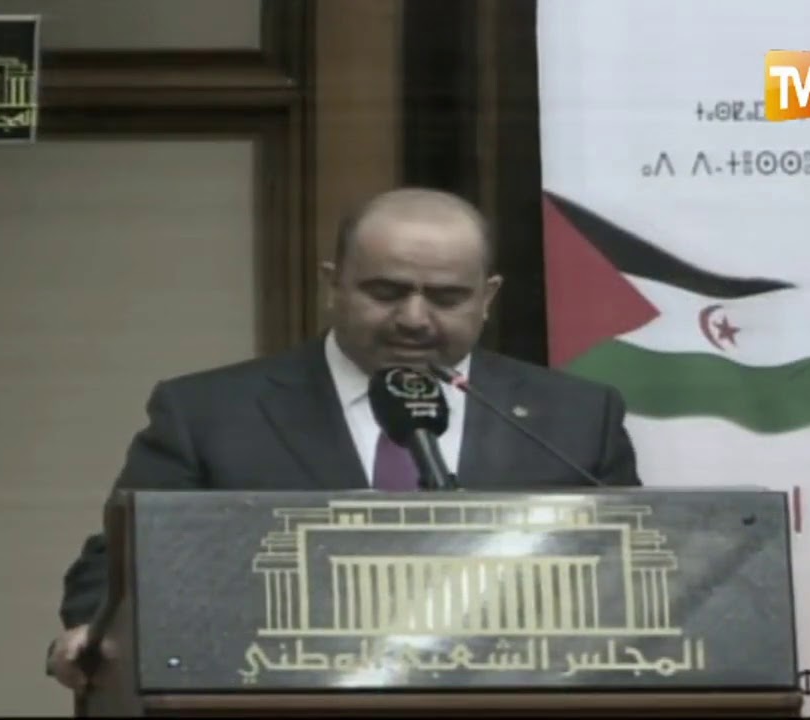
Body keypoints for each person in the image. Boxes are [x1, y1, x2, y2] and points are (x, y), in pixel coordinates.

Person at [45, 187, 642, 691]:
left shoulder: (574, 418)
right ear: (333, 284)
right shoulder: (210, 412)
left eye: (445, 297)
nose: (414, 318)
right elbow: (120, 562)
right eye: (385, 292)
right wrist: (95, 632)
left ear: (487, 297)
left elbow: (632, 572)